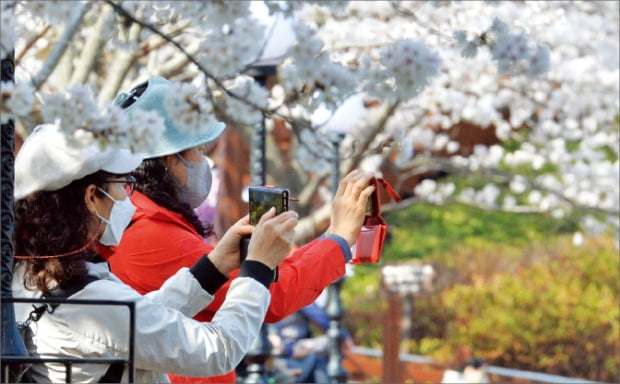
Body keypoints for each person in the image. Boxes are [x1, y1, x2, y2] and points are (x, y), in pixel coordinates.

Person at [106, 76, 376, 383]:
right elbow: (272, 297)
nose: (204, 161)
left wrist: (230, 257)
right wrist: (338, 239)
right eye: (198, 150)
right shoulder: (152, 233)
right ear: (170, 160)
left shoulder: (141, 221)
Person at [11, 123, 299, 383]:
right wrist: (258, 267)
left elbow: (139, 317)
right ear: (91, 197)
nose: (127, 197)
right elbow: (216, 350)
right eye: (122, 185)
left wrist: (214, 268)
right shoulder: (93, 301)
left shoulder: (29, 276)